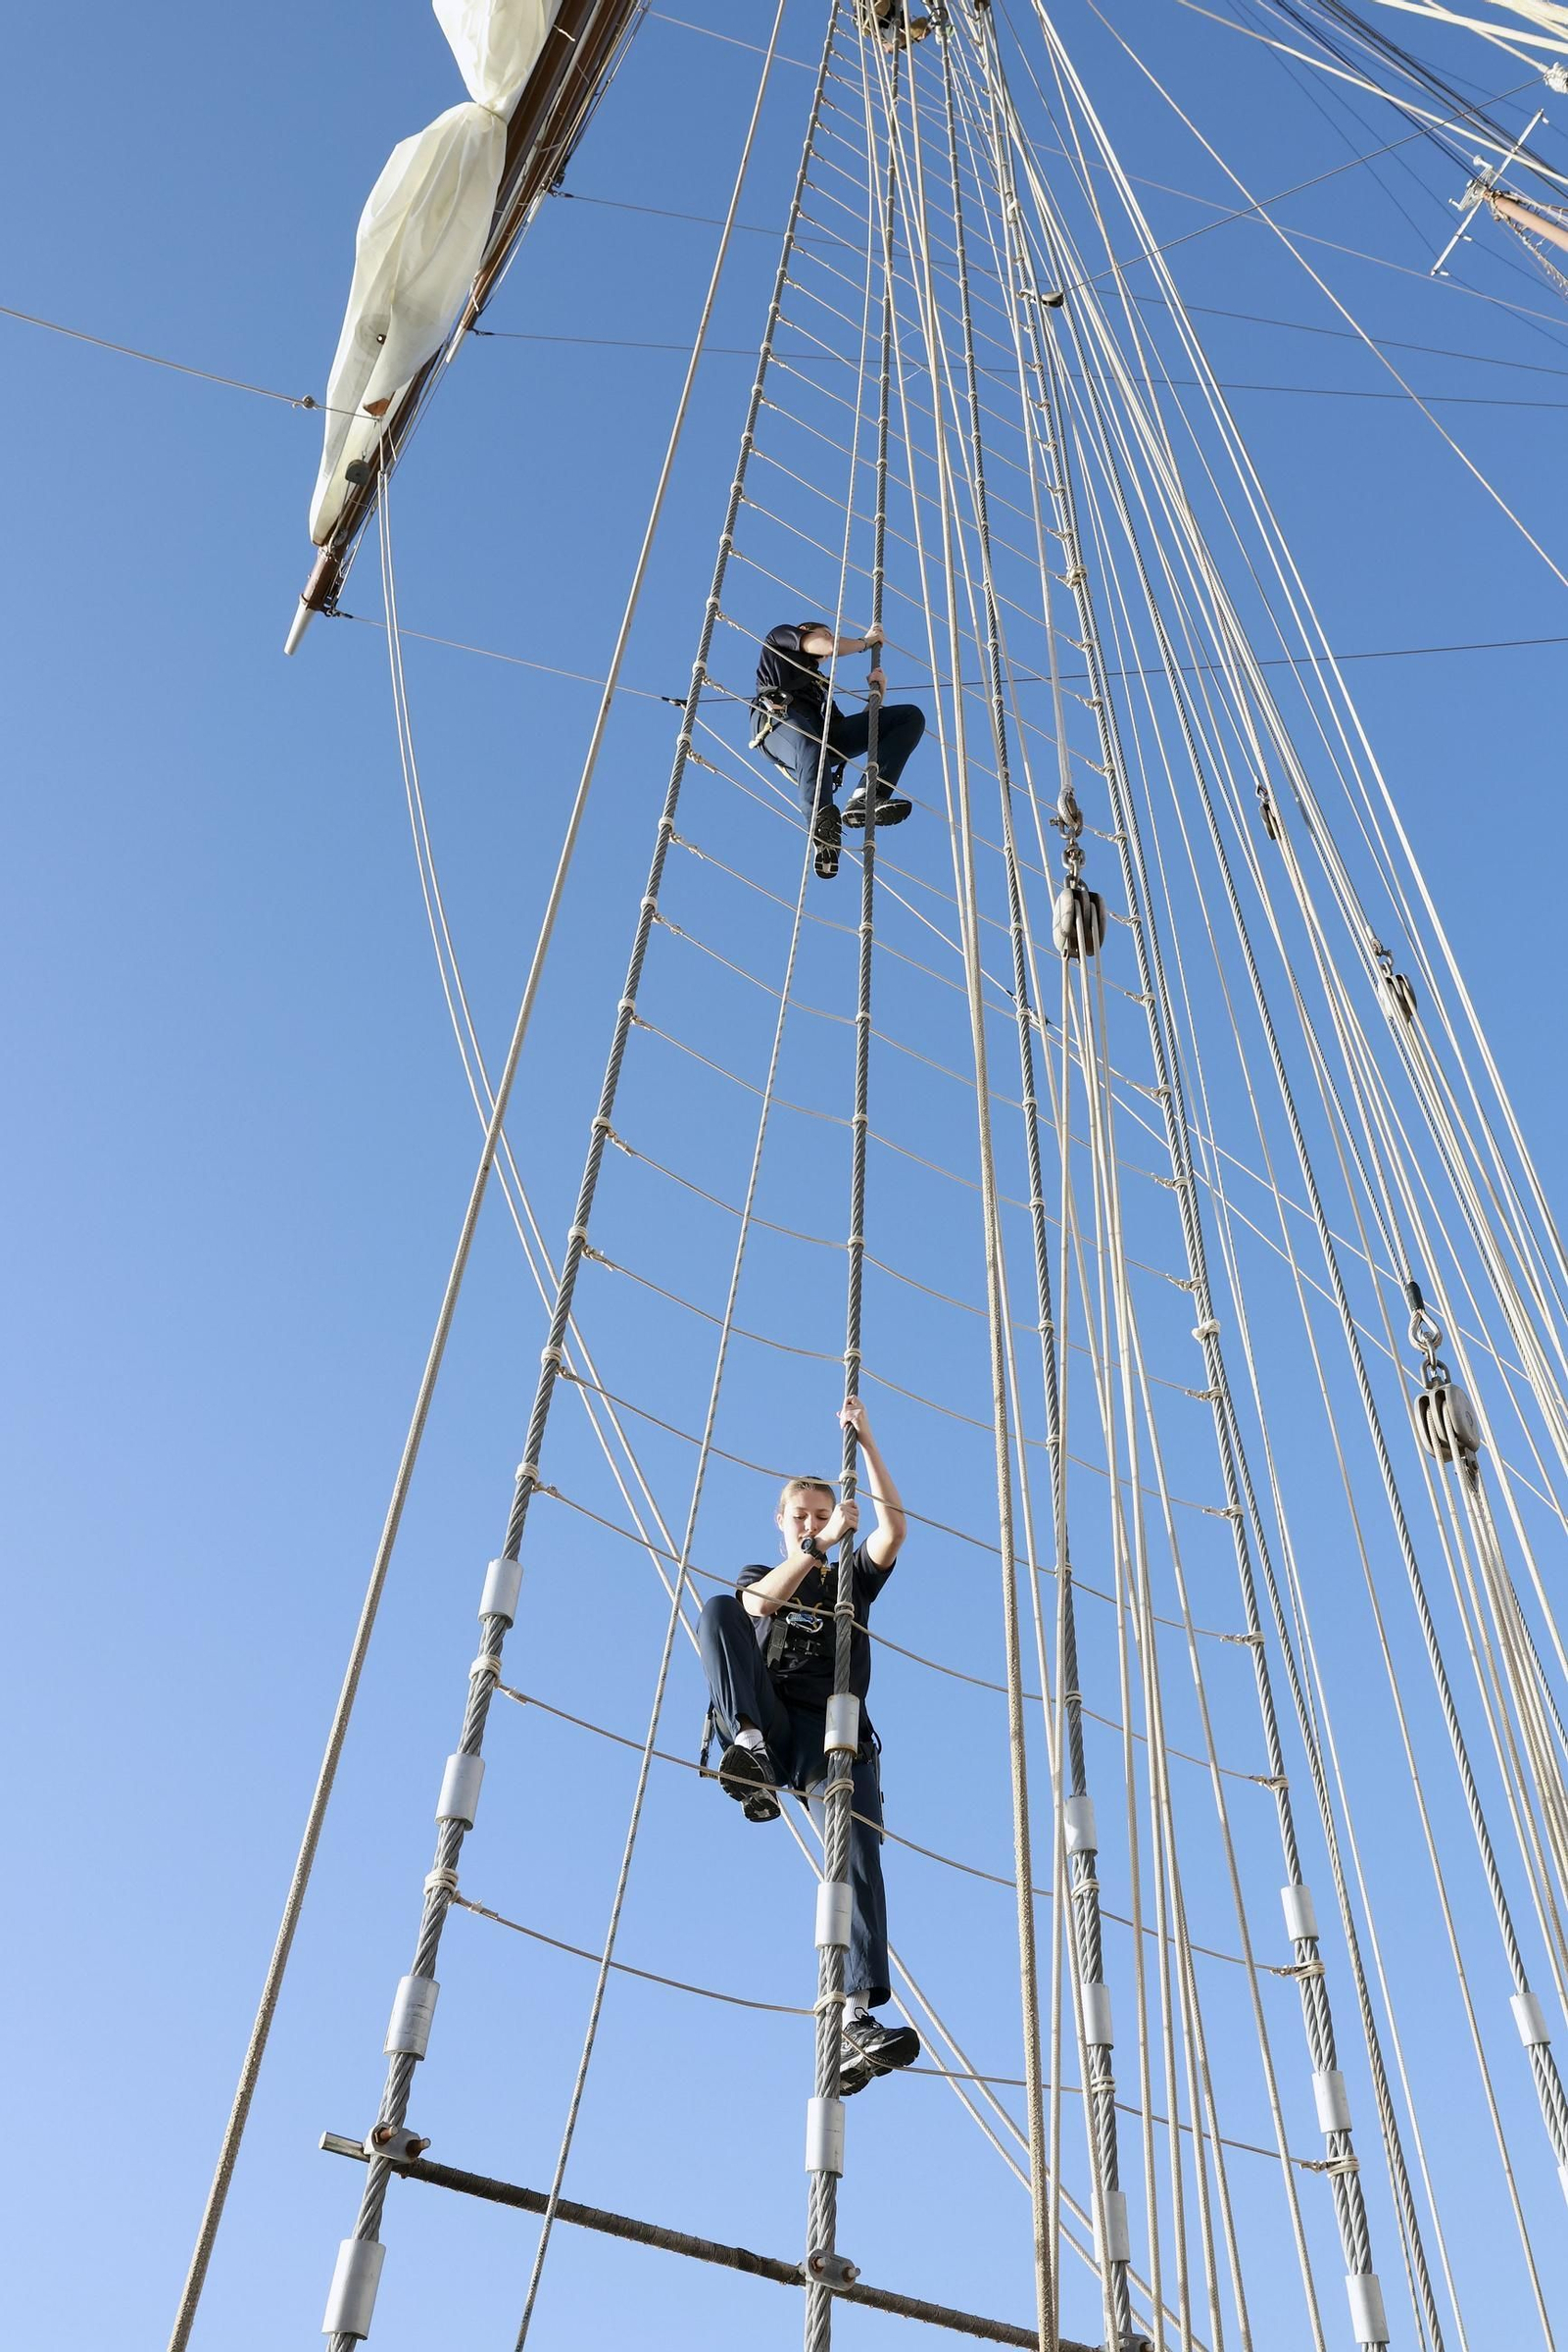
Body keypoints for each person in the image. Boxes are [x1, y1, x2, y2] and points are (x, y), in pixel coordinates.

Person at [698, 1397, 921, 2095]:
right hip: (775, 1720)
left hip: (836, 1733)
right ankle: (750, 1751)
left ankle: (856, 2019)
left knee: (858, 1850)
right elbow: (759, 1607)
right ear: (783, 1521)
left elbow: (895, 1530)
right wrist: (812, 1551)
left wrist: (868, 1440)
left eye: (822, 1515)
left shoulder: (848, 1580)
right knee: (717, 1610)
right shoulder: (769, 1573)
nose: (812, 1524)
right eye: (801, 1515)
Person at [752, 620, 926, 880]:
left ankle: (867, 797)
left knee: (909, 717)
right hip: (777, 723)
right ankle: (823, 828)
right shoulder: (780, 638)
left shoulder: (820, 685)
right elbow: (830, 646)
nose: (830, 638)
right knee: (810, 743)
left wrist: (877, 693)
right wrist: (865, 642)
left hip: (817, 735)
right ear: (804, 631)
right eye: (826, 633)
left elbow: (855, 731)